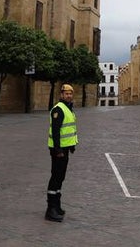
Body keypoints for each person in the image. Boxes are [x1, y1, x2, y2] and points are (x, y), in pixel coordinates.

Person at [45, 83, 78, 222]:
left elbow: (68, 129)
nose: (69, 95)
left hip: (64, 149)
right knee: (56, 177)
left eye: (70, 93)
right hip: (58, 150)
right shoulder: (58, 109)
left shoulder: (68, 109)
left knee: (60, 177)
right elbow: (56, 132)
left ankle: (56, 205)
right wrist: (58, 149)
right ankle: (50, 209)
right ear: (61, 94)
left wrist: (71, 146)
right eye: (66, 93)